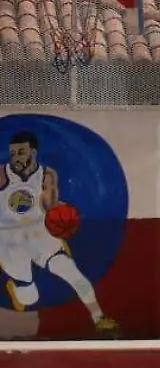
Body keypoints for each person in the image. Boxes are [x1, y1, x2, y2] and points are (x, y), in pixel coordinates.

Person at [0, 131, 111, 331]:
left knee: (74, 274)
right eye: (13, 153)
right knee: (30, 297)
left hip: (39, 234)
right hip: (8, 240)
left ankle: (100, 320)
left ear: (33, 152)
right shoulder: (1, 174)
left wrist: (63, 213)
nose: (16, 157)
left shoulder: (47, 175)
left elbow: (50, 206)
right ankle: (20, 285)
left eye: (21, 152)